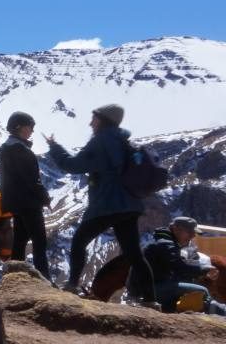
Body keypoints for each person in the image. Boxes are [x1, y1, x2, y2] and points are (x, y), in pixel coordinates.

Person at [46, 104, 157, 306]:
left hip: (107, 203)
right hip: (130, 205)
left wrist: (54, 147)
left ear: (103, 120)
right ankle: (151, 300)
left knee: (79, 241)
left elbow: (73, 165)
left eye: (94, 119)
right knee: (134, 254)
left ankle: (72, 286)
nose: (91, 123)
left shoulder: (101, 141)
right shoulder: (124, 141)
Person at [0, 112, 52, 282]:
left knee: (20, 239)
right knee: (39, 240)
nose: (32, 131)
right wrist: (45, 198)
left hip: (15, 203)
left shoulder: (5, 148)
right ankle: (45, 279)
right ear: (19, 127)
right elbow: (32, 180)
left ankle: (14, 277)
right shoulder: (21, 150)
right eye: (30, 127)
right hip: (29, 202)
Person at [144, 217, 225, 315]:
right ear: (176, 228)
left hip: (152, 286)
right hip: (152, 290)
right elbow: (179, 267)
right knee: (202, 291)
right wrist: (204, 270)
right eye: (190, 232)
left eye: (194, 233)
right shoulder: (166, 244)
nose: (193, 236)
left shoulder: (165, 241)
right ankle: (220, 313)